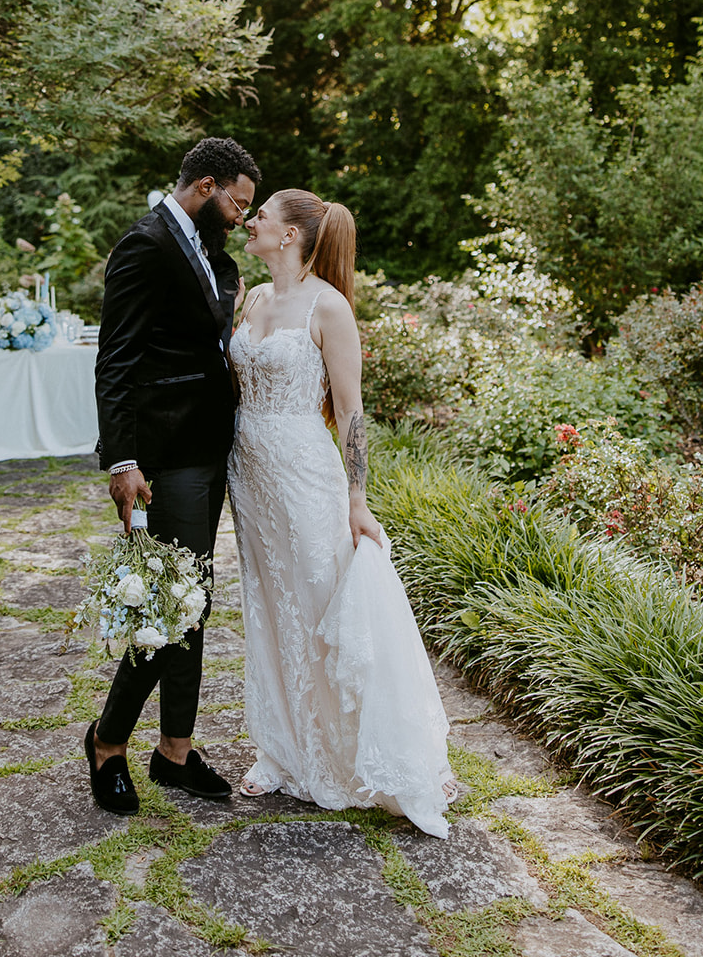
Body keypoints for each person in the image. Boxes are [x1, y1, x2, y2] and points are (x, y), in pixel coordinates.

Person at [228, 189, 455, 837]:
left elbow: (351, 414)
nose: (252, 221)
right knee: (269, 607)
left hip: (304, 475)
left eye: (263, 215)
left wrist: (356, 498)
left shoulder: (328, 307)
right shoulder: (254, 299)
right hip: (250, 478)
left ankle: (356, 750)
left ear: (292, 235)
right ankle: (281, 748)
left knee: (321, 608)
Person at [85, 136, 261, 815]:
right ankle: (106, 744)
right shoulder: (145, 243)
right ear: (206, 185)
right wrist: (123, 460)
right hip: (170, 450)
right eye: (238, 204)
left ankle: (175, 753)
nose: (244, 219)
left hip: (212, 446)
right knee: (173, 604)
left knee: (196, 601)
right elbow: (116, 359)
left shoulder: (204, 247)